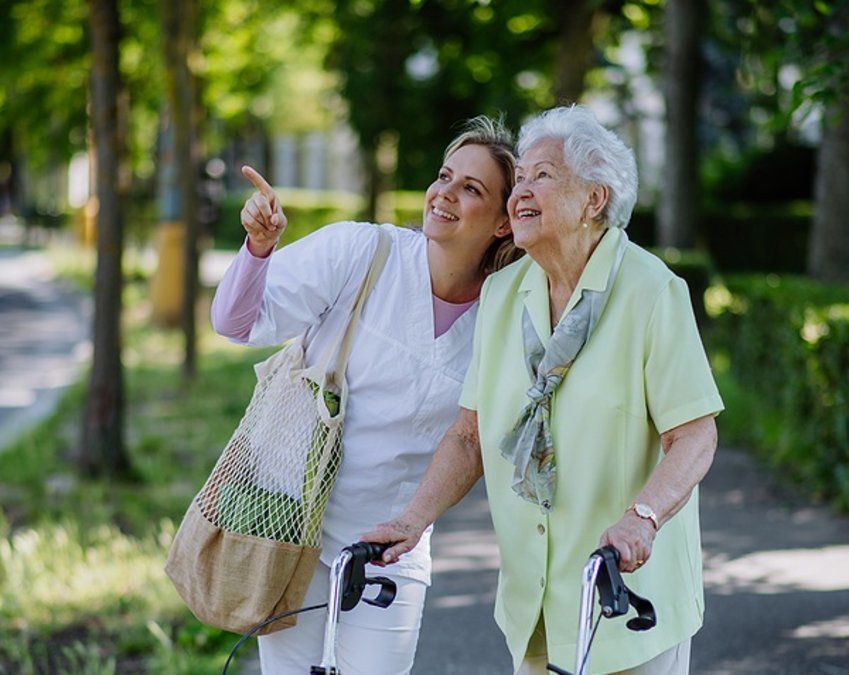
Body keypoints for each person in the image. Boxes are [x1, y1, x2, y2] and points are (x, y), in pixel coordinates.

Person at [365, 104, 724, 675]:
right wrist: (413, 520)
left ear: (594, 199)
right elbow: (468, 437)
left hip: (626, 596)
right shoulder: (504, 294)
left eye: (543, 176)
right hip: (534, 603)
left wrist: (644, 517)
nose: (520, 192)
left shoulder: (652, 292)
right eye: (520, 179)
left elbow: (696, 435)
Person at [209, 116, 522, 675]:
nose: (444, 193)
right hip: (291, 529)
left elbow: (475, 439)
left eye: (471, 188)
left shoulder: (501, 317)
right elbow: (236, 322)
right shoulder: (363, 252)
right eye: (444, 176)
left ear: (503, 221)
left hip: (391, 549)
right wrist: (259, 249)